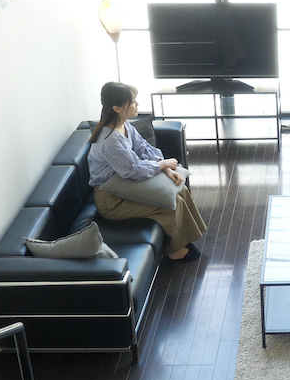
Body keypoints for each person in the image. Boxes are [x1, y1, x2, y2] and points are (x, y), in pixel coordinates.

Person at [88, 81, 207, 262]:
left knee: (180, 188)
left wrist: (166, 168)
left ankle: (187, 239)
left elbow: (144, 148)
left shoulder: (125, 126)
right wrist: (164, 164)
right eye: (133, 101)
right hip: (112, 198)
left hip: (125, 186)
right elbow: (134, 170)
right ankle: (173, 250)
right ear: (117, 108)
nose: (137, 105)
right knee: (168, 205)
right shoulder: (110, 141)